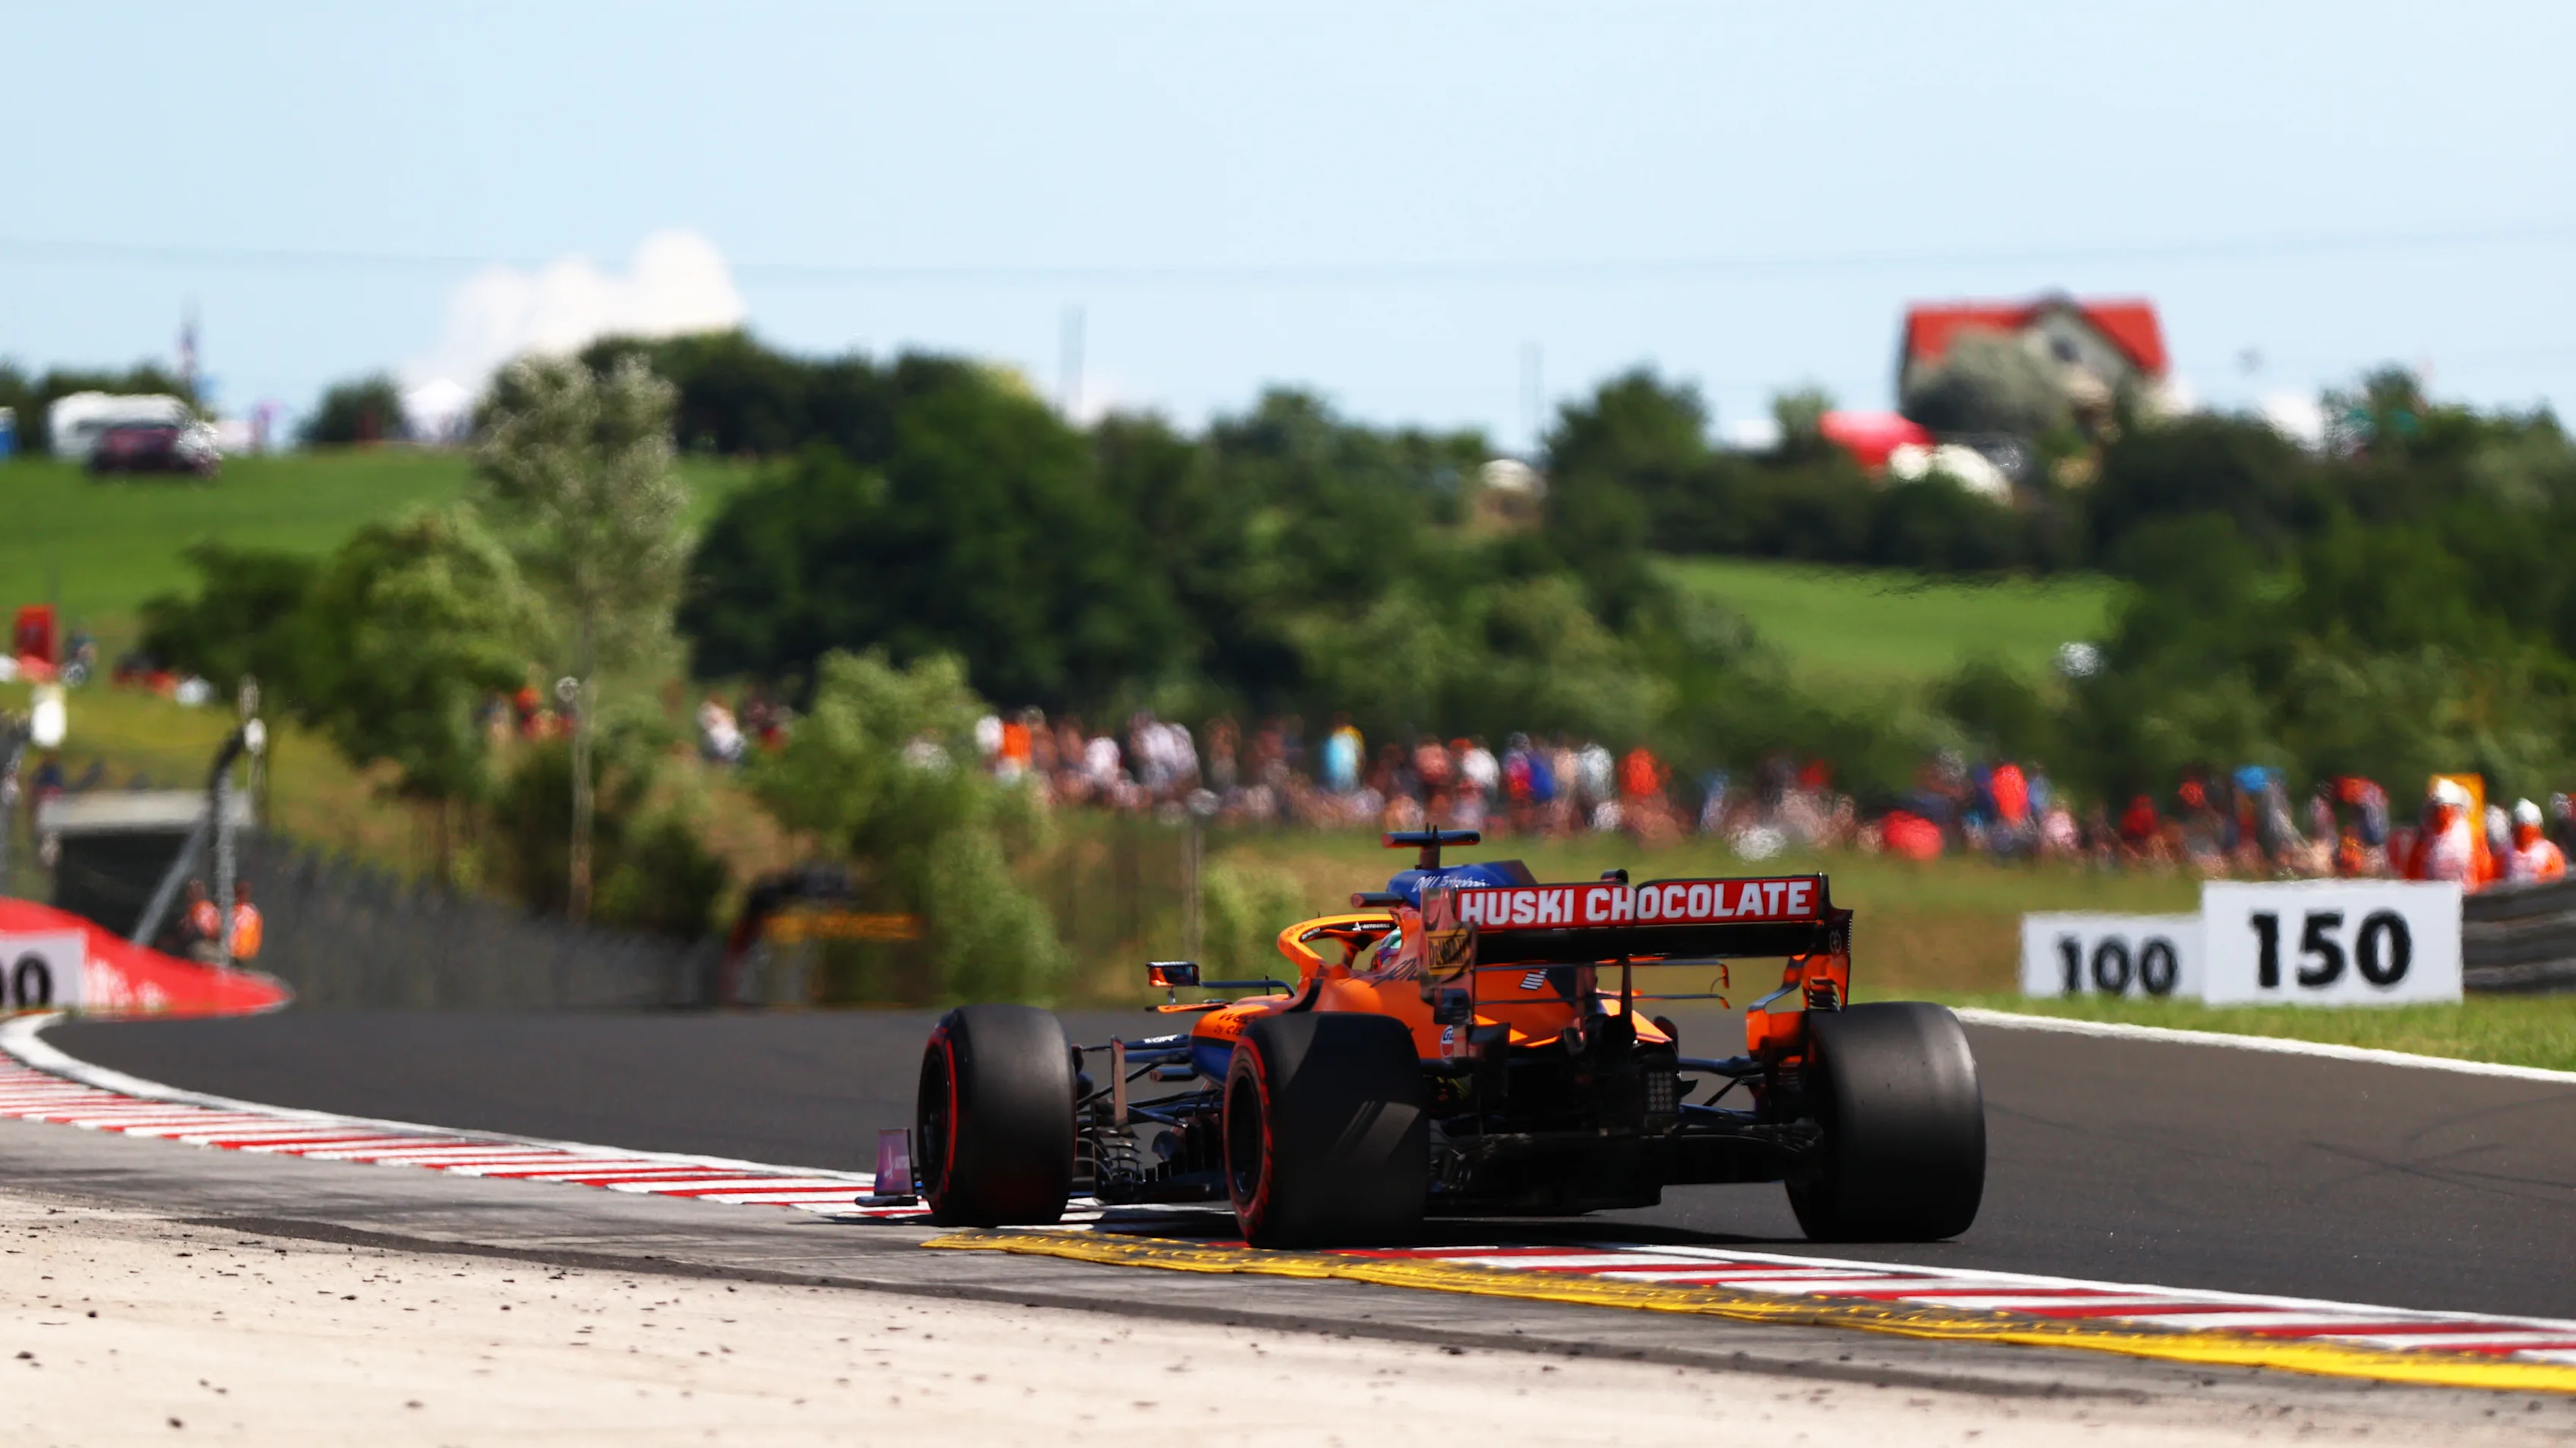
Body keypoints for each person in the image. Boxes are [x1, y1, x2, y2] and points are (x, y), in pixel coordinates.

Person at [2410, 779, 2477, 885]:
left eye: (2442, 809)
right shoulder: (2427, 837)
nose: (2438, 814)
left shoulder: (2467, 838)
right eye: (2435, 809)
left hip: (2462, 894)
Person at [2508, 799, 2568, 885]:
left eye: (2527, 830)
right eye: (2519, 829)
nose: (2523, 834)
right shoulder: (2505, 854)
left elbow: (2560, 883)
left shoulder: (2550, 852)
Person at [179, 879, 223, 964]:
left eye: (198, 890)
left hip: (206, 945)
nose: (194, 893)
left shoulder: (205, 908)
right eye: (192, 891)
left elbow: (213, 931)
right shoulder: (187, 909)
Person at [226, 882, 264, 964]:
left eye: (244, 892)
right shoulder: (232, 911)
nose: (242, 895)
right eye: (240, 892)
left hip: (245, 957)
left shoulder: (253, 913)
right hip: (231, 955)